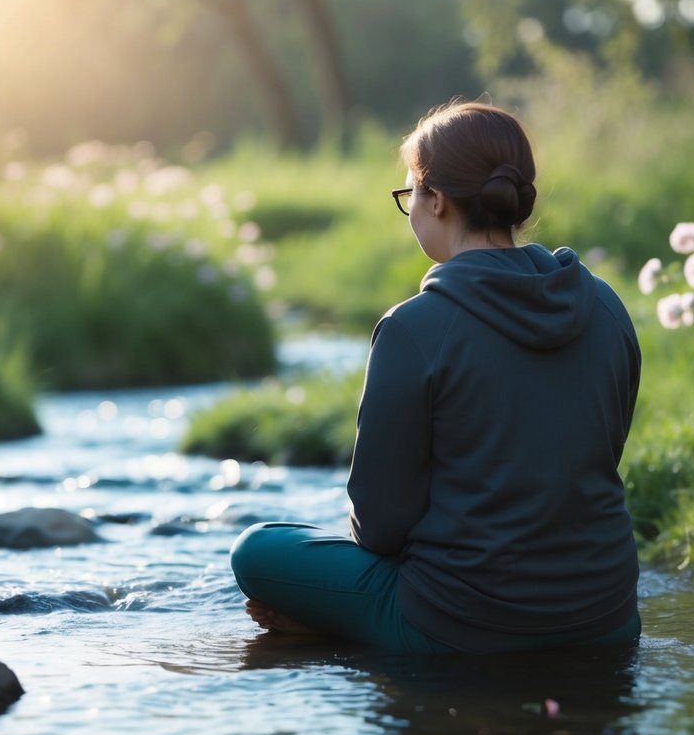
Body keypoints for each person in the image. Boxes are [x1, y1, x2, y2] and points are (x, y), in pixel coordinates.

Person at [230, 101, 641, 653]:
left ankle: (344, 624)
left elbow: (378, 528)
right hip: (605, 618)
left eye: (409, 197)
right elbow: (593, 457)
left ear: (437, 200)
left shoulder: (414, 328)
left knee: (256, 550)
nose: (411, 212)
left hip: (461, 625)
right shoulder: (606, 307)